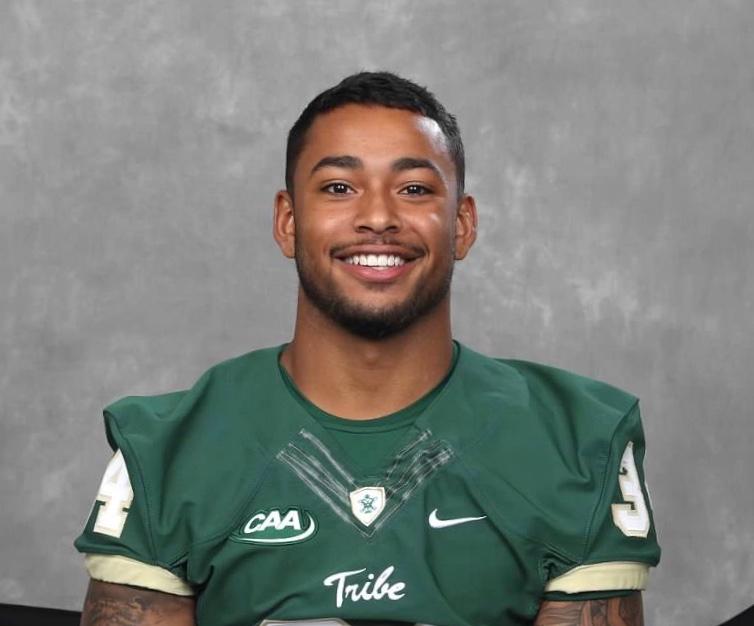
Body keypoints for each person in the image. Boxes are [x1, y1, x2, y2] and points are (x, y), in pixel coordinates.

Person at [75, 71, 660, 626]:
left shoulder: (576, 439)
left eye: (414, 189)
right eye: (339, 187)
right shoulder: (170, 447)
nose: (378, 217)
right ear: (288, 222)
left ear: (461, 224)